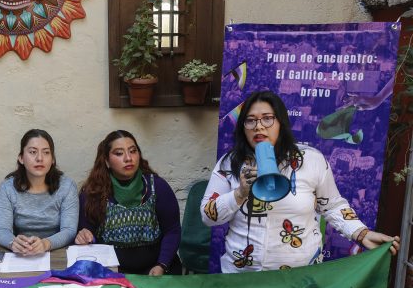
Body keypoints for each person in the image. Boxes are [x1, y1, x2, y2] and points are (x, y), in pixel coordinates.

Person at [201, 90, 400, 273]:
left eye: (268, 119)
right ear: (243, 127)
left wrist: (361, 233)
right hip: (241, 278)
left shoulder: (311, 159)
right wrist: (239, 194)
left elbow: (332, 206)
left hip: (298, 281)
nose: (259, 126)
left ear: (281, 123)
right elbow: (207, 216)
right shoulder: (229, 163)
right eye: (250, 120)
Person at [76, 130, 182, 275]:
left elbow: (172, 230)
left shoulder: (157, 187)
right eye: (119, 153)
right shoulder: (93, 193)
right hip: (112, 272)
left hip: (156, 270)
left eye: (133, 151)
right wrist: (85, 236)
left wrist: (162, 265)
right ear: (106, 161)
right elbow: (87, 234)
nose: (128, 158)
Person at [0, 129, 78, 255]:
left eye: (46, 153)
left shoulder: (66, 187)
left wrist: (45, 244)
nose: (39, 158)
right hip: (22, 253)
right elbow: (1, 230)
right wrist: (13, 243)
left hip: (57, 252)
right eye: (33, 152)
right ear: (21, 158)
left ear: (53, 159)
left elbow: (69, 230)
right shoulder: (7, 188)